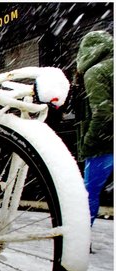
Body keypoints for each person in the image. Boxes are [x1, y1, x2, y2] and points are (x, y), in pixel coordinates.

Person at [74, 30, 113, 228]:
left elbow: (103, 111)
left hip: (105, 145)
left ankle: (82, 237)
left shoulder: (95, 71)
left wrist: (89, 140)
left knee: (89, 192)